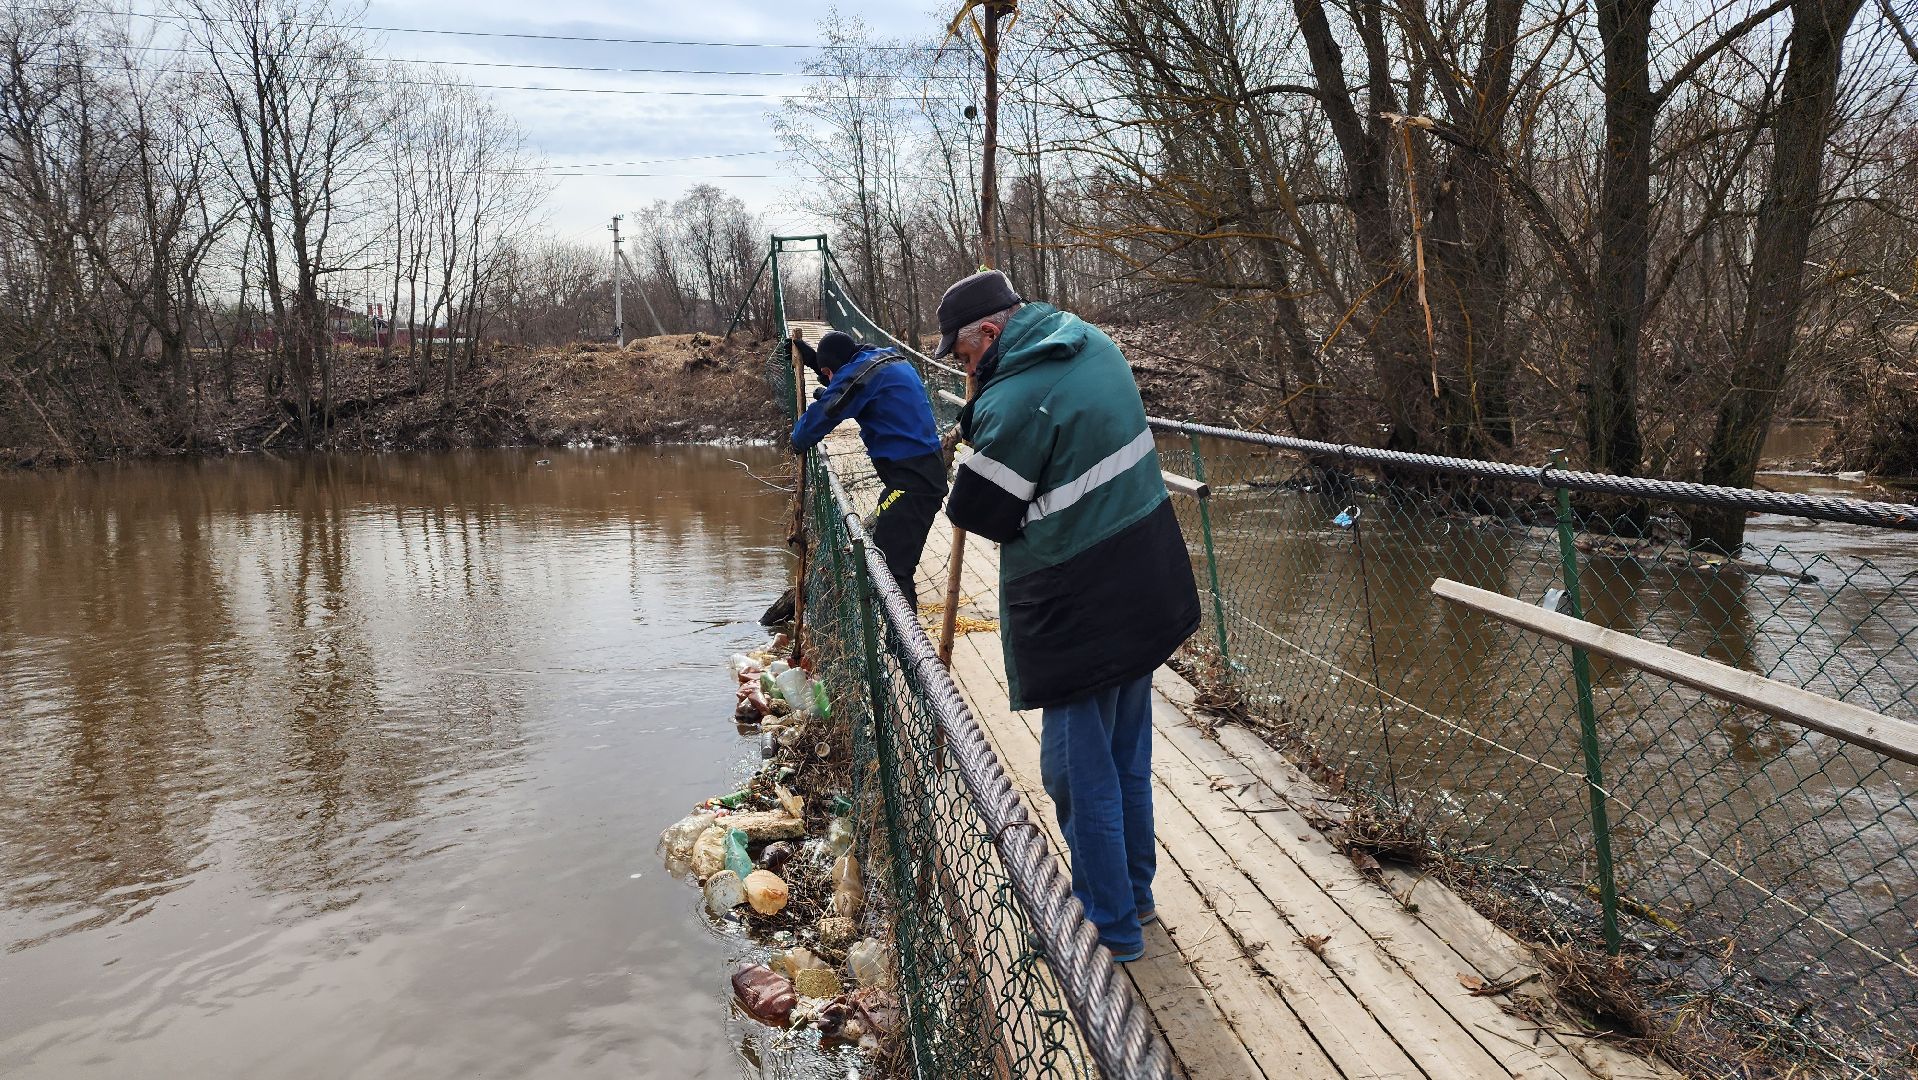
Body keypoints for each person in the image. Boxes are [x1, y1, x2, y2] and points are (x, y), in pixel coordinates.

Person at [937, 270, 1200, 964]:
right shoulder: (1089, 341)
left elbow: (980, 513)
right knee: (1125, 756)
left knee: (1074, 774)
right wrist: (982, 414)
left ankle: (1108, 930)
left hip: (1082, 603)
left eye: (965, 355)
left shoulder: (1017, 399)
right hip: (1146, 579)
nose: (966, 370)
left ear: (989, 332)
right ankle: (1134, 897)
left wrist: (975, 429)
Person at [790, 329, 947, 609]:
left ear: (831, 370)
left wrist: (795, 440)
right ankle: (902, 630)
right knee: (887, 556)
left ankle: (905, 636)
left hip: (909, 484)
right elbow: (848, 386)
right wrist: (817, 364)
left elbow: (809, 429)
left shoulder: (860, 378)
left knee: (891, 570)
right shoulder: (885, 359)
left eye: (827, 373)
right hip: (921, 474)